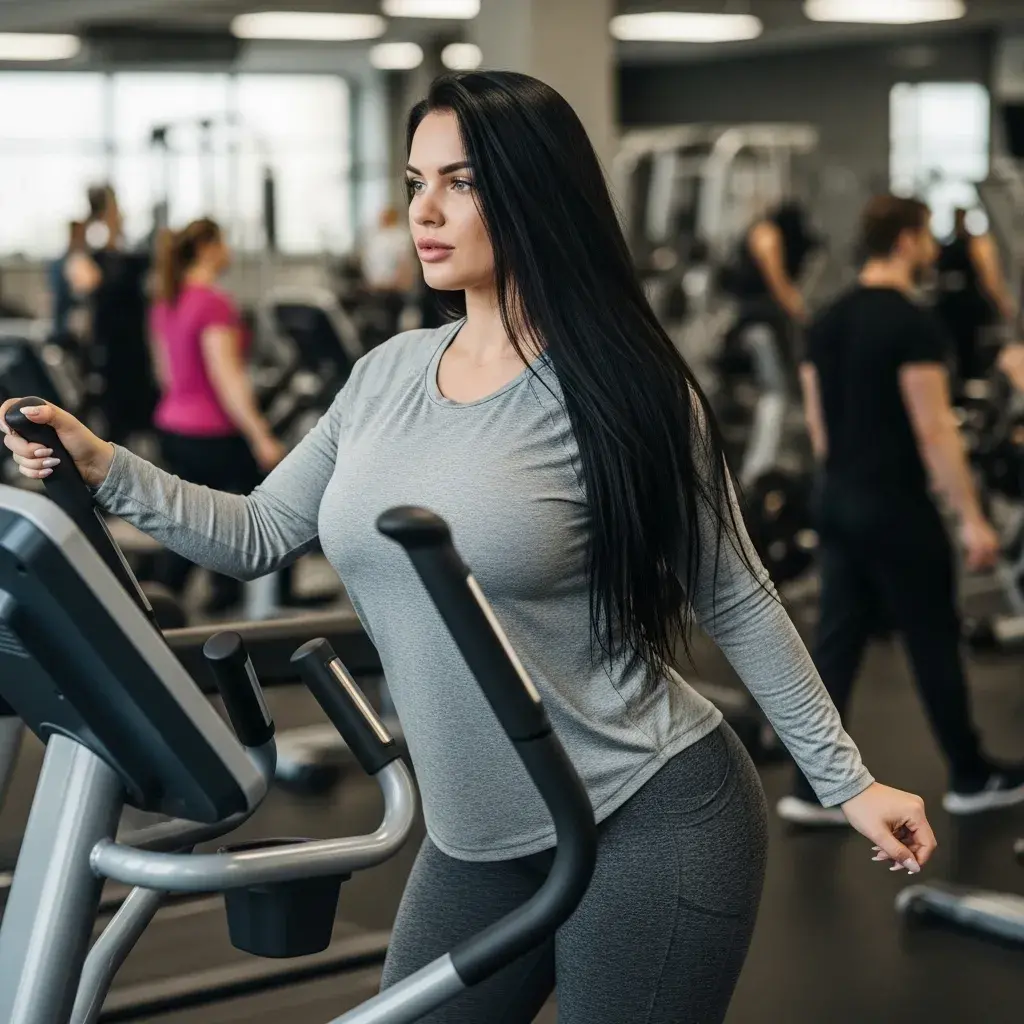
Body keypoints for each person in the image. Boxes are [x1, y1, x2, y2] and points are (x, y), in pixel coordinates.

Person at [3, 73, 935, 1024]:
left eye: (461, 182)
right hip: (474, 837)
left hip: (649, 811)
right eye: (415, 182)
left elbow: (735, 594)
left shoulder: (624, 388)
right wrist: (105, 463)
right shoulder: (386, 375)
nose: (426, 211)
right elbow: (257, 534)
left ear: (533, 191)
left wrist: (847, 782)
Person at [784, 194, 1024, 828]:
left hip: (836, 500)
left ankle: (813, 789)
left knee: (836, 643)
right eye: (925, 238)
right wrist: (972, 517)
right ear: (908, 240)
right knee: (932, 639)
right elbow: (933, 431)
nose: (931, 250)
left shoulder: (826, 320)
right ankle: (971, 775)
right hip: (895, 507)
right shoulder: (911, 324)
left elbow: (820, 429)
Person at [148, 217, 286, 612]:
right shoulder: (213, 302)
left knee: (191, 517)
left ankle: (209, 595)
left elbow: (165, 373)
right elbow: (228, 379)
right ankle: (270, 606)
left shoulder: (168, 298)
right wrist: (261, 436)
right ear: (208, 247)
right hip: (211, 434)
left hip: (173, 426)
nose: (228, 250)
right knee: (276, 505)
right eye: (224, 241)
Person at [723, 201, 820, 486]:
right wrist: (803, 314)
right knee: (774, 394)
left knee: (778, 393)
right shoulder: (767, 234)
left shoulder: (762, 233)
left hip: (761, 326)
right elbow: (778, 282)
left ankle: (767, 463)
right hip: (760, 328)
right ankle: (757, 471)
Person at [934, 206, 1019, 394]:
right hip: (968, 310)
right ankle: (972, 389)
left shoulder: (946, 249)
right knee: (971, 354)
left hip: (949, 309)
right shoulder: (976, 245)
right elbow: (990, 278)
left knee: (958, 353)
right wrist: (1003, 303)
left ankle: (963, 388)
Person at [361, 205, 416, 338]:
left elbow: (404, 263)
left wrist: (400, 284)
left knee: (393, 324)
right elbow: (369, 262)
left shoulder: (400, 235)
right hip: (376, 287)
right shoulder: (376, 236)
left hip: (394, 288)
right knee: (377, 322)